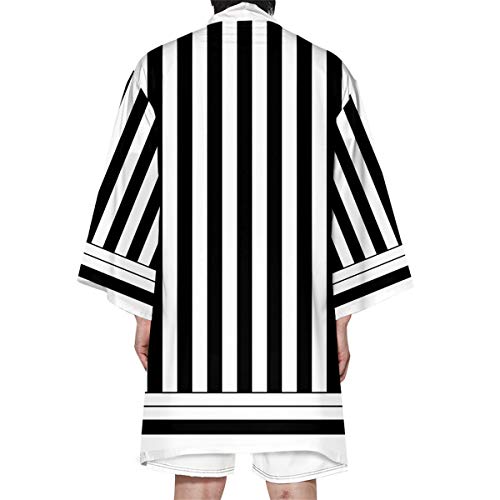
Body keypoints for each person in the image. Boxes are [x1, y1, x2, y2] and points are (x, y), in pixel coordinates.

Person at [77, 1, 413, 498]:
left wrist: (143, 312)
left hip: (193, 321)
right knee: (292, 480)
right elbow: (351, 197)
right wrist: (338, 320)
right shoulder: (323, 69)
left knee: (198, 479)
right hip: (294, 323)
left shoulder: (161, 67)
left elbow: (136, 191)